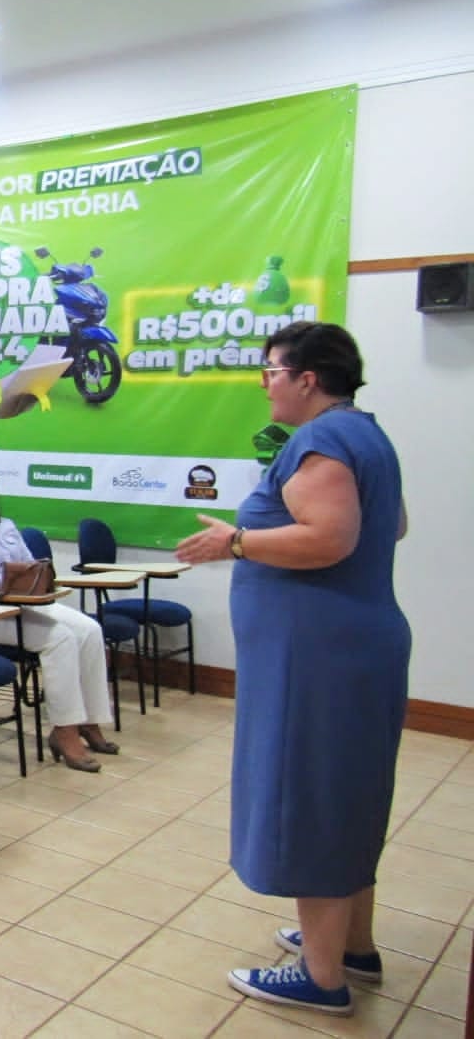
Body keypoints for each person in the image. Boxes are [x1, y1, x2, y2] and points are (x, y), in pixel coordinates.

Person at [176, 322, 410, 1017]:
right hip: (351, 647)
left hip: (318, 662)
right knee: (345, 800)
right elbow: (389, 526)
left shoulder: (323, 441)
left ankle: (321, 977)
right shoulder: (364, 433)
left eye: (271, 370)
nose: (264, 381)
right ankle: (350, 949)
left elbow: (332, 537)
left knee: (310, 802)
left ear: (308, 378)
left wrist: (237, 541)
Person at [0, 457, 116, 773]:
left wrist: (35, 578)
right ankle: (65, 731)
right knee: (59, 638)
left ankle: (88, 721)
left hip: (17, 605)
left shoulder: (6, 526)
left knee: (89, 629)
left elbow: (30, 566)